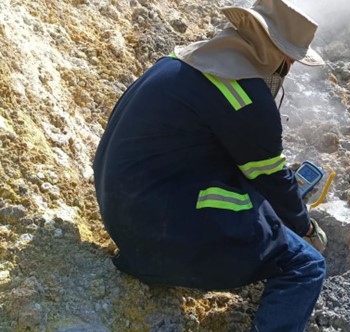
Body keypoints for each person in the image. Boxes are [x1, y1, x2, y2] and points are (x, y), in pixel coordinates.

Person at [92, 0, 328, 330]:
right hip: (157, 241)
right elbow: (273, 182)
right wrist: (306, 229)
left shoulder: (179, 62)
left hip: (123, 217)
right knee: (306, 264)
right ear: (276, 56)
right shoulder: (247, 98)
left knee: (257, 201)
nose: (287, 70)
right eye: (289, 62)